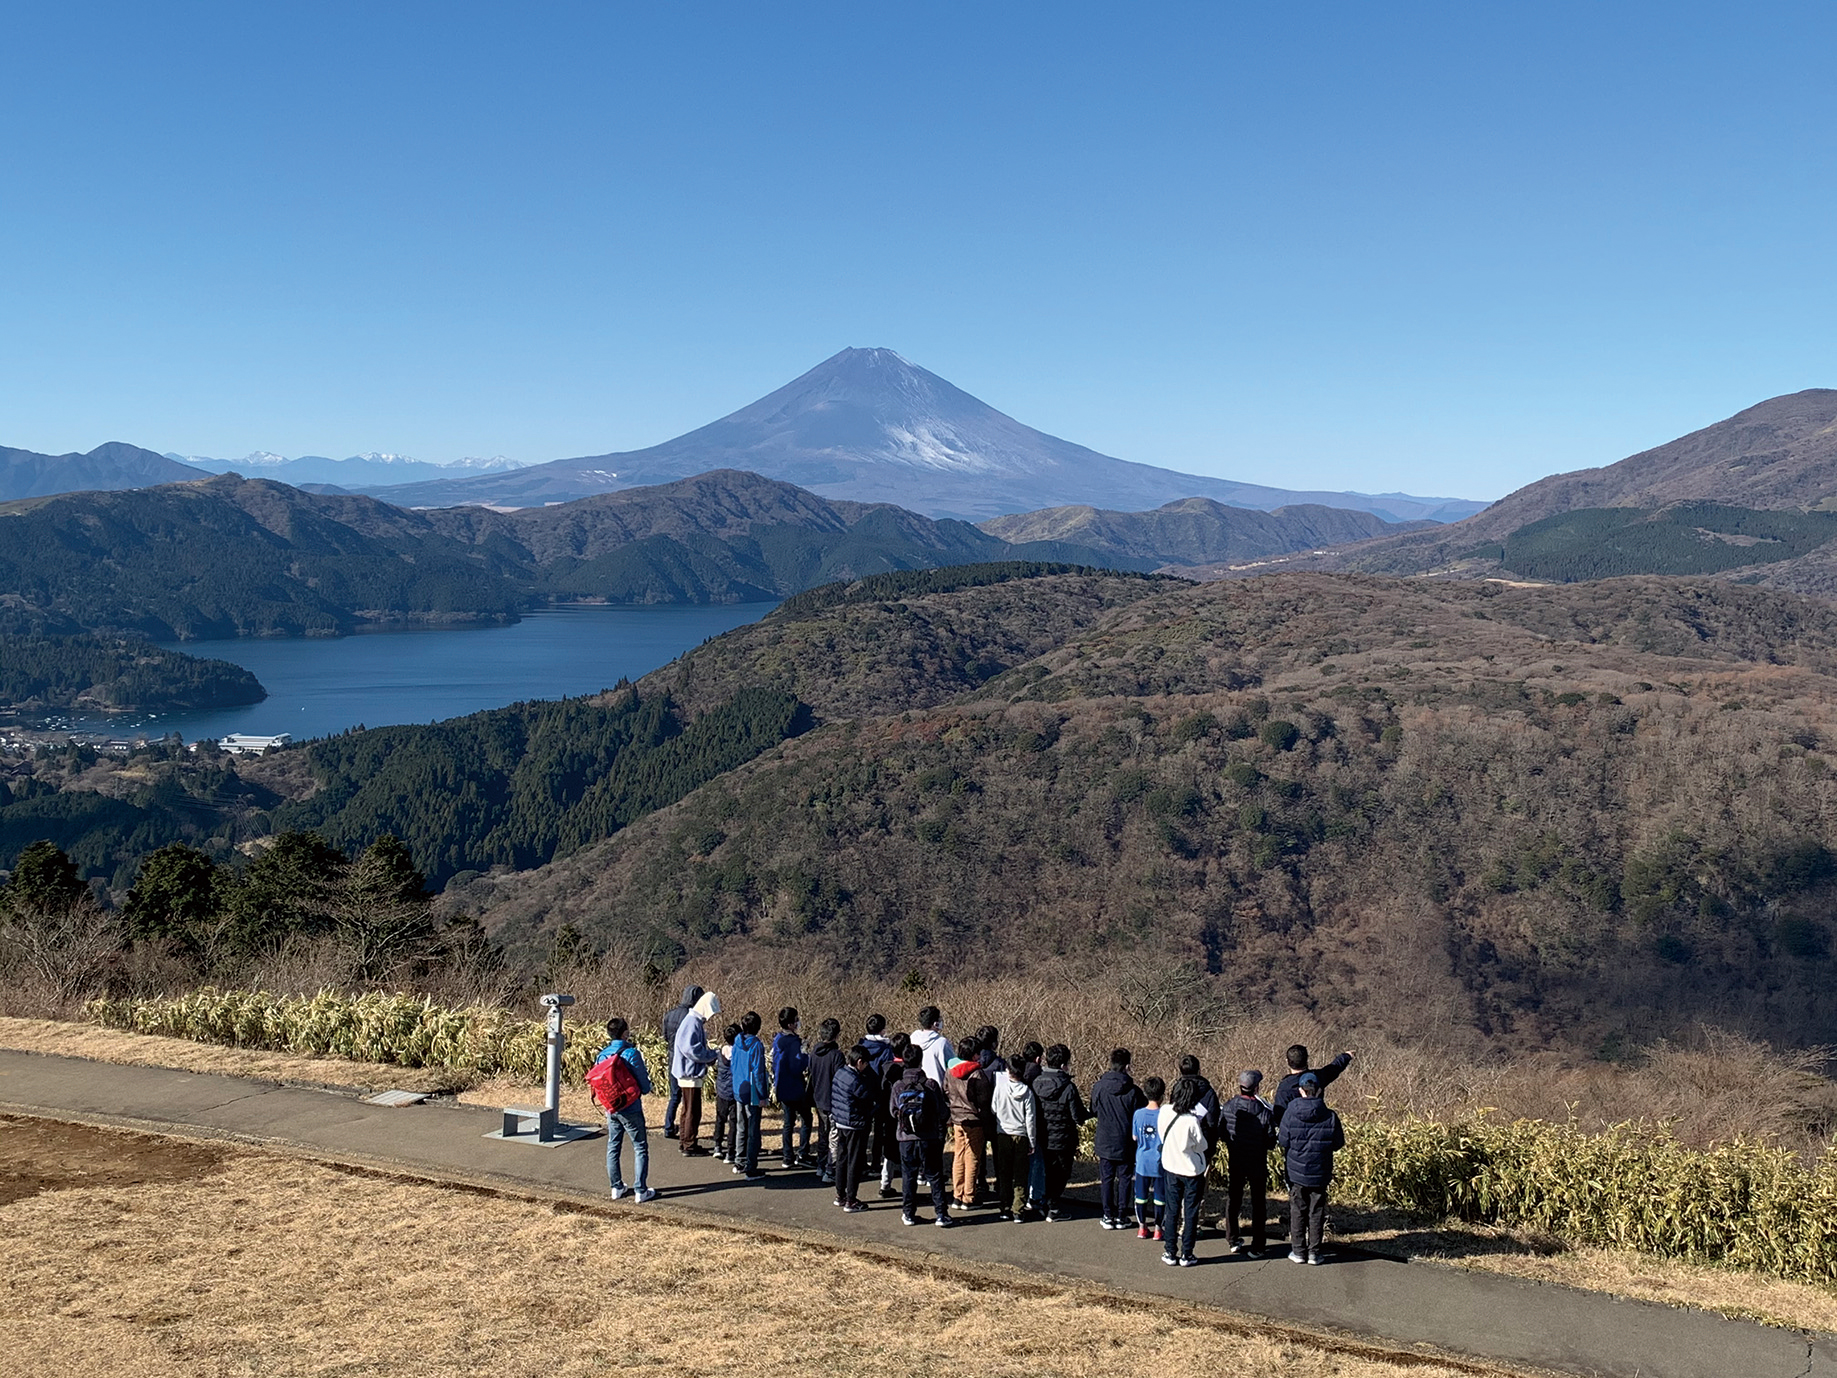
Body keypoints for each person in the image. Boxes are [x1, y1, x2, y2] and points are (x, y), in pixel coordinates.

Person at [1277, 1071, 1345, 1265]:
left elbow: (1283, 1140)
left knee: (1297, 1210)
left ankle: (1298, 1251)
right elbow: (1338, 1143)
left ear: (1301, 1091)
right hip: (1320, 1171)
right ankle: (1314, 1253)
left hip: (1296, 1171)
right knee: (1316, 1212)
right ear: (1319, 1091)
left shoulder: (1290, 1112)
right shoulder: (1330, 1115)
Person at [593, 1017, 655, 1202]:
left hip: (611, 1106)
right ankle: (640, 1190)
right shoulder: (631, 1053)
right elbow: (643, 1083)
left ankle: (616, 1187)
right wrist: (646, 1089)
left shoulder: (602, 1055)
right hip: (631, 1106)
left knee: (613, 1145)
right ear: (625, 1033)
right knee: (640, 1147)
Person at [889, 1044, 951, 1227]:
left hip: (906, 1137)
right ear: (921, 1060)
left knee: (909, 1175)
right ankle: (941, 1214)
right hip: (929, 1137)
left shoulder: (898, 1086)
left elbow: (893, 1111)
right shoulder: (930, 1084)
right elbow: (942, 1112)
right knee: (934, 1175)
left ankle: (908, 1213)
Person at [1089, 1047, 1147, 1230]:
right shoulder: (1134, 1092)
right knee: (1124, 1179)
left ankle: (1107, 1214)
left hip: (1105, 1139)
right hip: (1126, 1141)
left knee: (1106, 1179)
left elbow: (1093, 1110)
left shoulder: (1098, 1087)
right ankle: (1122, 1216)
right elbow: (1141, 1115)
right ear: (1127, 1066)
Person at [1220, 1069, 1275, 1255]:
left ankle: (1232, 1238)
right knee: (1258, 1203)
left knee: (1234, 1198)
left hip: (1236, 1159)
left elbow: (1222, 1132)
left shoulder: (1229, 1107)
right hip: (1257, 1162)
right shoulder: (1265, 1112)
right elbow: (1270, 1142)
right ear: (1257, 1088)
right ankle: (1258, 1244)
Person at [1032, 1043, 1088, 1221]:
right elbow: (1078, 1116)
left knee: (1044, 1170)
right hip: (1064, 1138)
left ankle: (1043, 1202)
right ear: (1064, 1065)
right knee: (1061, 1172)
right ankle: (1053, 1207)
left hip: (1042, 1135)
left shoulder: (1035, 1082)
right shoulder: (1068, 1087)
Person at [1158, 1075, 1210, 1267]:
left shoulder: (1164, 1111)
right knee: (1190, 1212)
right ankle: (1187, 1254)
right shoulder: (1191, 1121)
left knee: (1171, 1210)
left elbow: (1161, 1134)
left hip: (1170, 1166)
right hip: (1191, 1170)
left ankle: (1170, 1251)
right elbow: (1201, 1145)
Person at [943, 1035, 993, 1210]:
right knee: (972, 1158)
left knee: (959, 1155)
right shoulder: (977, 1074)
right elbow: (985, 1102)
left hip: (957, 1118)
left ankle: (957, 1195)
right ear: (974, 1055)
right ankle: (969, 1196)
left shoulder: (950, 1070)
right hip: (974, 1120)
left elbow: (946, 1091)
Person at [831, 1043, 879, 1213]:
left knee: (842, 1158)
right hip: (854, 1124)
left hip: (840, 1121)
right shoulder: (855, 1080)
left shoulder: (840, 1073)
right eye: (866, 1063)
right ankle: (851, 1200)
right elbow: (868, 1097)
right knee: (854, 1162)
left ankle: (840, 1195)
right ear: (860, 1062)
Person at [671, 990, 720, 1154]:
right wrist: (711, 1056)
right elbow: (691, 1050)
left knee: (688, 1109)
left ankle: (685, 1141)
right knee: (692, 1110)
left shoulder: (692, 1020)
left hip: (687, 1072)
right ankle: (689, 1144)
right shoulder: (693, 1022)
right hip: (689, 1074)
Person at [989, 1056, 1037, 1221]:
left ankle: (1004, 1207)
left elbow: (994, 1108)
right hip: (1021, 1135)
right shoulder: (1027, 1092)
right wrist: (1032, 1141)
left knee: (1004, 1173)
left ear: (1008, 1070)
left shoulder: (1000, 1088)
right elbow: (1030, 1119)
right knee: (1020, 1174)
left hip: (1003, 1133)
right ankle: (1018, 1210)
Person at [660, 983, 704, 1141]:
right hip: (686, 1062)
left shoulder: (669, 1014)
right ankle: (687, 1134)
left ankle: (668, 1126)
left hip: (671, 1057)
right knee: (689, 1100)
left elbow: (664, 1037)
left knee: (674, 1095)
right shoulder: (691, 1018)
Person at [861, 1015, 899, 1195]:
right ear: (883, 1029)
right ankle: (878, 1162)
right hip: (883, 1093)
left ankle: (864, 1162)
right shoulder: (886, 1049)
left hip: (865, 1093)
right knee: (881, 1131)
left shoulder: (861, 1046)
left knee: (865, 1129)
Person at [772, 1006, 813, 1168]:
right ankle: (803, 1153)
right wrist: (805, 1056)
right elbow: (797, 1066)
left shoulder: (778, 1039)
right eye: (796, 1020)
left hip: (782, 1086)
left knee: (788, 1122)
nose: (798, 1023)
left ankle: (787, 1156)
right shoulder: (794, 1042)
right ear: (790, 1024)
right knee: (806, 1118)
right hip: (795, 1086)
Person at [730, 1011, 769, 1179]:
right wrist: (762, 1095)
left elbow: (733, 1064)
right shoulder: (756, 1045)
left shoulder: (737, 1041)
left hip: (739, 1087)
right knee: (753, 1129)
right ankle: (751, 1168)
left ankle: (739, 1161)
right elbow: (758, 1072)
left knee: (741, 1126)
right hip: (752, 1090)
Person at [1273, 1045, 1353, 1125]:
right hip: (1319, 1125)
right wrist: (1346, 1056)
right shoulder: (1317, 1078)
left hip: (1295, 1130)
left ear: (1287, 1061)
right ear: (1307, 1059)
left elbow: (1279, 1116)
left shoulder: (1284, 1087)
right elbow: (1334, 1068)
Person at [807, 1018, 844, 1183]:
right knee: (834, 1136)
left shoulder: (814, 1053)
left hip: (818, 1098)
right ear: (836, 1035)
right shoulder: (837, 1056)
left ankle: (820, 1166)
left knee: (823, 1134)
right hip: (833, 1101)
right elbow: (840, 1080)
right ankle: (830, 1169)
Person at [1132, 1075, 1166, 1240]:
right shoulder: (1165, 1114)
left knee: (1141, 1196)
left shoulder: (1138, 1114)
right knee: (1160, 1197)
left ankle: (1142, 1227)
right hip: (1160, 1162)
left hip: (1142, 1161)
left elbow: (1134, 1137)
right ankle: (1159, 1229)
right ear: (1162, 1094)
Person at [1015, 1040, 1047, 1211]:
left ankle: (1022, 1194)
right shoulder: (1038, 1075)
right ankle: (1035, 1197)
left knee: (1022, 1164)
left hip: (1014, 1124)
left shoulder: (1016, 1073)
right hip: (1034, 1123)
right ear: (1038, 1058)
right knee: (1037, 1162)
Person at [712, 1022, 741, 1163]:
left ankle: (717, 1146)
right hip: (734, 1092)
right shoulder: (738, 1054)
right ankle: (731, 1152)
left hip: (722, 1091)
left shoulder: (720, 1052)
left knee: (720, 1119)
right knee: (733, 1122)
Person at [910, 1006, 951, 1087]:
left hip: (917, 1086)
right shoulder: (941, 1042)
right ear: (936, 1023)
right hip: (937, 1088)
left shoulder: (913, 1038)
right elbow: (952, 1065)